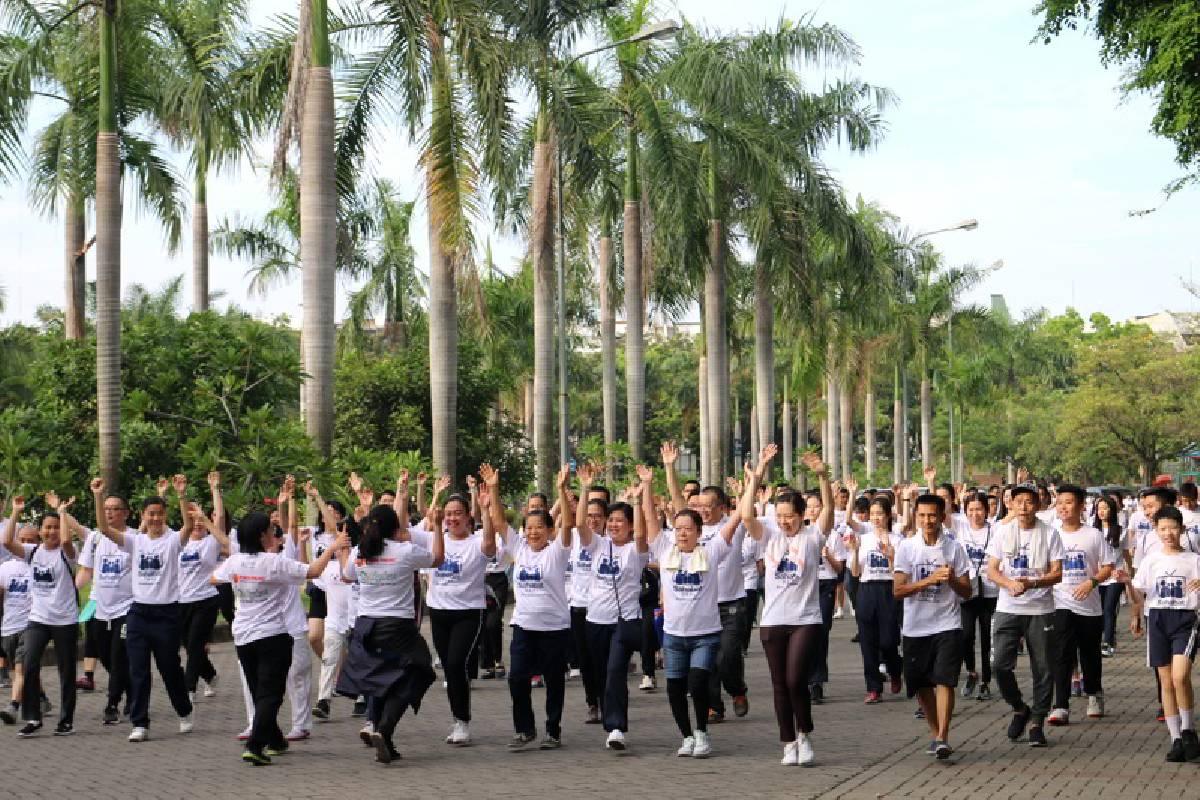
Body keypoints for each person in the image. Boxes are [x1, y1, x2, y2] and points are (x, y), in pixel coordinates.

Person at [212, 510, 345, 765]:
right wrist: (333, 548)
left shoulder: (235, 561)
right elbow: (314, 571)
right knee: (270, 695)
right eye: (271, 530)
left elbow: (214, 578)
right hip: (273, 635)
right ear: (263, 535)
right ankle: (255, 745)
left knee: (258, 690)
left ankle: (275, 740)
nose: (275, 533)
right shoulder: (275, 562)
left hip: (243, 637)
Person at [740, 447, 831, 766]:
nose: (783, 522)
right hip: (773, 620)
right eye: (779, 517)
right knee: (780, 685)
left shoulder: (813, 537)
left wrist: (822, 476)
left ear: (802, 514)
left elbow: (829, 510)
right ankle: (788, 742)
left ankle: (804, 733)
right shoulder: (769, 536)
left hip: (805, 619)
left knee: (795, 681)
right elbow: (747, 515)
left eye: (789, 516)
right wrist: (759, 473)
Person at [90, 475, 196, 742]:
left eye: (160, 514)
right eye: (151, 514)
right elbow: (103, 528)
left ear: (165, 515)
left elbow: (188, 524)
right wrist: (98, 496)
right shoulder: (135, 541)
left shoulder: (172, 541)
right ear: (143, 515)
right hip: (138, 614)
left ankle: (184, 711)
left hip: (167, 614)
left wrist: (182, 494)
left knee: (169, 668)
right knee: (138, 670)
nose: (156, 519)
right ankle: (140, 723)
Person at [338, 502, 438, 764]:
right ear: (396, 528)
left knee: (382, 679)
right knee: (421, 671)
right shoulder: (404, 551)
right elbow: (437, 558)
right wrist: (437, 527)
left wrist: (342, 550)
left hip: (366, 626)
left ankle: (386, 742)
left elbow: (347, 576)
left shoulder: (361, 550)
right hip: (397, 627)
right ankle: (385, 727)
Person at [651, 496, 739, 759]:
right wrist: (645, 488)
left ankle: (702, 732)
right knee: (674, 687)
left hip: (705, 636)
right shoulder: (665, 551)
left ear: (699, 532)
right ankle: (686, 736)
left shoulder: (711, 551)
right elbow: (648, 520)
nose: (682, 533)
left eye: (688, 528)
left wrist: (754, 481)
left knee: (698, 683)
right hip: (674, 636)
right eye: (678, 529)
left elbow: (735, 521)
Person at [422, 474, 500, 747]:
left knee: (456, 663)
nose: (453, 519)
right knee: (450, 668)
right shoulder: (437, 538)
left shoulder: (477, 541)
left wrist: (487, 509)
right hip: (439, 612)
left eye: (458, 514)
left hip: (468, 612)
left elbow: (490, 545)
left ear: (469, 517)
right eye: (449, 514)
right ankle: (458, 719)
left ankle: (463, 721)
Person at [577, 466, 652, 752]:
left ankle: (616, 727)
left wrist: (638, 497)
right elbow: (581, 525)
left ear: (630, 525)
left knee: (615, 670)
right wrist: (585, 489)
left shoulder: (636, 550)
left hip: (624, 620)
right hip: (594, 619)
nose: (614, 525)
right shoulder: (597, 545)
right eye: (611, 520)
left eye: (621, 521)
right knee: (601, 675)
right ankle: (610, 715)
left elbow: (644, 535)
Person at [894, 493, 972, 760]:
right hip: (916, 626)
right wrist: (928, 581)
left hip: (947, 624)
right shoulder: (907, 547)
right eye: (922, 515)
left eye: (932, 515)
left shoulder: (954, 548)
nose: (927, 521)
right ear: (916, 516)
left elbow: (967, 592)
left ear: (942, 517)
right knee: (921, 685)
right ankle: (935, 732)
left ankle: (942, 737)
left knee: (945, 679)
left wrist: (950, 581)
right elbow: (898, 590)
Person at [985, 484, 1065, 748]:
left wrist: (1032, 584)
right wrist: (1009, 584)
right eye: (1018, 501)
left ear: (1038, 504)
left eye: (1029, 502)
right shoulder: (1002, 532)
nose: (1023, 507)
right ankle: (1020, 707)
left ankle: (1037, 722)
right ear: (1011, 504)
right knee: (999, 665)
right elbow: (992, 570)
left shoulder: (1050, 534)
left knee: (1043, 668)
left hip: (1040, 609)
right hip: (1008, 608)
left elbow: (1057, 573)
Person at [503, 466, 575, 751]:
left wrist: (561, 491)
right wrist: (493, 490)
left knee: (554, 682)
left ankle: (552, 730)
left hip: (554, 629)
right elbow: (498, 523)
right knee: (517, 677)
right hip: (523, 626)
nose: (533, 532)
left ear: (549, 530)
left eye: (539, 527)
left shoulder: (556, 552)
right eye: (529, 527)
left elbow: (568, 527)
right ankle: (524, 729)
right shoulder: (519, 550)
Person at [3, 493, 80, 737]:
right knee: (29, 663)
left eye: (56, 527)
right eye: (47, 528)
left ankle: (66, 720)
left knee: (66, 671)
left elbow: (67, 539)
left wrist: (61, 511)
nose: (52, 531)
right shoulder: (32, 551)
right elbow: (6, 542)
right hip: (38, 618)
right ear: (40, 531)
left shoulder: (69, 551)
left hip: (65, 619)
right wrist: (16, 511)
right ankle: (33, 717)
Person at [1129, 506, 1200, 762]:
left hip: (1185, 620)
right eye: (1162, 529)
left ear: (1181, 529)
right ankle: (1176, 739)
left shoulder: (1194, 559)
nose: (1168, 533)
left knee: (1181, 677)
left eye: (1172, 528)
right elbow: (1139, 594)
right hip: (1157, 618)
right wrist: (1128, 587)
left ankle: (1189, 729)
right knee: (1166, 681)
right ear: (1156, 531)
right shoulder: (1151, 560)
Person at [1047, 484, 1114, 725]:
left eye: (1069, 502)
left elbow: (1108, 567)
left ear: (1081, 506)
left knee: (1089, 655)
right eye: (1060, 502)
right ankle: (1061, 705)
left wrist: (1092, 582)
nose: (1063, 507)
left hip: (1089, 605)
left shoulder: (1093, 535)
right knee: (1062, 654)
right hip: (1060, 602)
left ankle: (1094, 694)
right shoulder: (1051, 533)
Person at [75, 491, 137, 724]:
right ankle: (132, 691)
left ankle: (112, 704)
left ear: (126, 513)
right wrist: (73, 590)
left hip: (127, 609)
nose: (109, 512)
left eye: (114, 508)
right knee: (105, 657)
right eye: (106, 508)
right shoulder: (95, 538)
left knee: (118, 656)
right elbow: (86, 570)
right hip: (100, 608)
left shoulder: (134, 538)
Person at [694, 483, 749, 723]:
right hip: (704, 607)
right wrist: (670, 469)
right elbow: (677, 504)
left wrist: (752, 482)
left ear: (721, 507)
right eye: (700, 506)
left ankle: (737, 691)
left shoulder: (731, 528)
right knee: (708, 661)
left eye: (709, 506)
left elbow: (744, 512)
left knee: (728, 656)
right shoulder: (693, 530)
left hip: (731, 605)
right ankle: (714, 706)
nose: (704, 511)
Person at [844, 495, 904, 703]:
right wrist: (854, 551)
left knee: (888, 641)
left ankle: (896, 671)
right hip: (867, 590)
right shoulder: (863, 539)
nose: (876, 518)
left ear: (888, 516)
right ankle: (873, 687)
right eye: (873, 514)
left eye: (880, 514)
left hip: (889, 590)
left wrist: (891, 555)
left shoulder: (898, 540)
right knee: (868, 642)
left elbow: (900, 571)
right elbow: (854, 573)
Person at [179, 471, 229, 703]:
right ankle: (209, 675)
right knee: (190, 647)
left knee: (196, 645)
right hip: (181, 602)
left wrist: (215, 489)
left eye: (200, 520)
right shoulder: (178, 542)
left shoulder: (211, 543)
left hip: (206, 600)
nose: (197, 524)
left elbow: (218, 517)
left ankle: (188, 689)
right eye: (192, 520)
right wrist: (180, 495)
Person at [570, 464, 607, 724]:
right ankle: (592, 702)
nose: (592, 520)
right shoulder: (575, 536)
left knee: (602, 659)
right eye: (589, 515)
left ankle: (607, 701)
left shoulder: (610, 542)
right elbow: (578, 520)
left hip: (604, 610)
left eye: (598, 516)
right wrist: (581, 489)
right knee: (584, 659)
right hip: (579, 607)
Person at [956, 492, 997, 701]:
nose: (975, 513)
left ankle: (986, 682)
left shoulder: (995, 530)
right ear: (965, 511)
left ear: (987, 510)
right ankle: (971, 673)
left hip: (990, 591)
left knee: (987, 638)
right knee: (966, 636)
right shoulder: (960, 529)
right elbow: (943, 512)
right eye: (970, 509)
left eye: (979, 509)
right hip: (967, 589)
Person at [0, 522, 38, 725]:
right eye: (22, 541)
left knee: (21, 669)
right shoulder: (5, 568)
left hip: (30, 626)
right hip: (8, 627)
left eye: (31, 541)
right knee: (21, 670)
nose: (26, 545)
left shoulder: (38, 567)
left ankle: (13, 706)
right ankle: (42, 698)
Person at [1092, 493, 1129, 658]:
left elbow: (1126, 554)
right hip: (1098, 576)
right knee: (1098, 610)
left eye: (1105, 508)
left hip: (1115, 576)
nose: (1102, 511)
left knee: (1108, 609)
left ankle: (1107, 642)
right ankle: (1103, 638)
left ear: (1112, 510)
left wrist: (1129, 577)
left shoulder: (1121, 531)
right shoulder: (1092, 531)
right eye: (1099, 508)